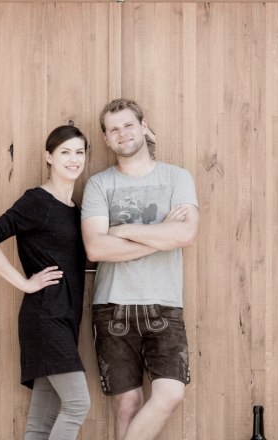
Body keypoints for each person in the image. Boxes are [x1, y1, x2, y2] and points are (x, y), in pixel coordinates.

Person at [81, 99, 200, 440]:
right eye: (114, 129)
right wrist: (161, 236)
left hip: (165, 305)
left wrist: (121, 230)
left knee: (171, 394)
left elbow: (185, 234)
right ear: (106, 138)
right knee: (128, 404)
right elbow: (96, 248)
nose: (123, 133)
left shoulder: (177, 178)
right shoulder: (99, 185)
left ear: (143, 126)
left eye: (128, 125)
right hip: (112, 306)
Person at [0, 125, 91, 440]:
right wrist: (25, 284)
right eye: (65, 152)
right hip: (45, 318)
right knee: (77, 405)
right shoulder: (37, 201)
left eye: (79, 152)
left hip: (65, 319)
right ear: (49, 157)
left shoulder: (75, 210)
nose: (74, 159)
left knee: (41, 423)